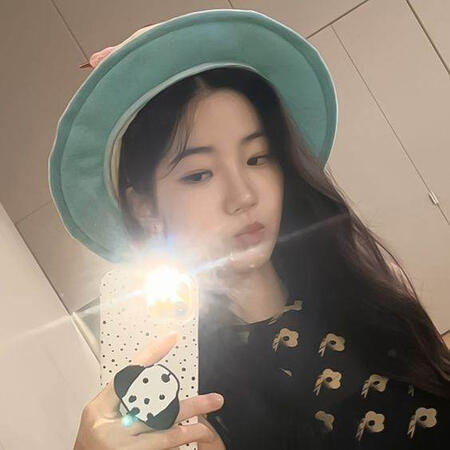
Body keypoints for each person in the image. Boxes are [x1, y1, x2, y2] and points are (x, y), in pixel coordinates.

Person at [49, 11, 450, 449]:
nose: (242, 195)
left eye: (257, 158)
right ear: (145, 208)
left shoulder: (354, 283)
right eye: (199, 174)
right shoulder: (187, 390)